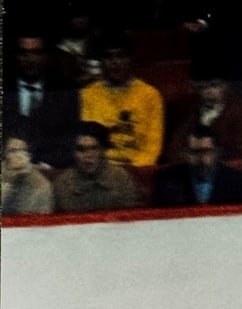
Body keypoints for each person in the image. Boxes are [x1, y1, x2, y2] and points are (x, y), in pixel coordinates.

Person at [79, 30, 165, 166]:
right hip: (100, 169)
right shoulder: (87, 95)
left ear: (130, 58)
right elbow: (86, 145)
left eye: (121, 56)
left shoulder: (150, 95)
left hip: (139, 170)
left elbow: (153, 148)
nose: (115, 62)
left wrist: (135, 171)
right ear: (101, 61)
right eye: (109, 57)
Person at [2, 31, 80, 168]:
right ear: (15, 56)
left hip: (50, 169)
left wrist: (45, 165)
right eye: (23, 53)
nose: (30, 59)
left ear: (46, 56)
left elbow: (70, 139)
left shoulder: (65, 92)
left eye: (36, 53)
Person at [53, 121, 144, 212]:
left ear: (104, 150)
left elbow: (133, 221)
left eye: (94, 148)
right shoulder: (63, 185)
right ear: (73, 152)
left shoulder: (122, 180)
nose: (88, 155)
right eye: (81, 149)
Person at [153, 124, 242, 206]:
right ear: (185, 154)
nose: (201, 159)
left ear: (217, 152)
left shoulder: (236, 181)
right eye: (194, 152)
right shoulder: (167, 181)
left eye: (206, 152)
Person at [1, 134, 54, 214]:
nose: (18, 156)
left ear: (29, 155)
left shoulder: (42, 185)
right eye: (12, 151)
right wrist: (9, 181)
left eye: (22, 151)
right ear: (4, 153)